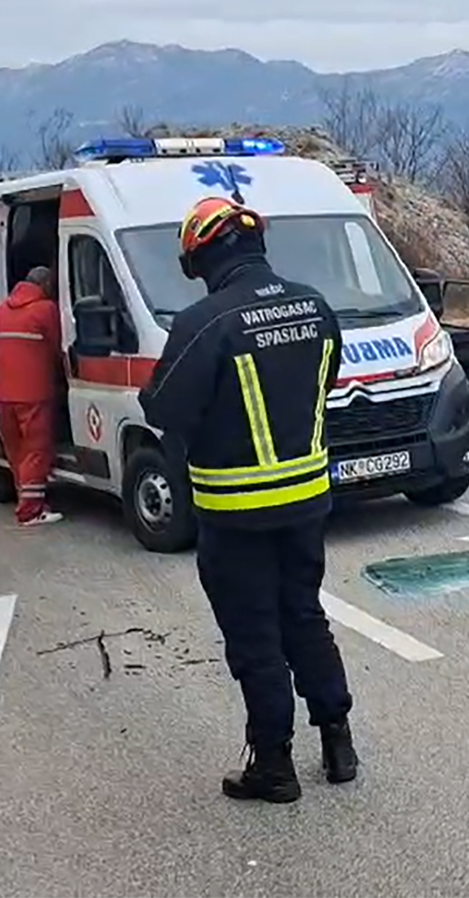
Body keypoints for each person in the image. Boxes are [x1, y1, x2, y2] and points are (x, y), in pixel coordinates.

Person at [139, 195, 356, 804]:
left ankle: (275, 766)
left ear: (200, 259)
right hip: (309, 500)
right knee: (305, 616)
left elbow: (164, 409)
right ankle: (339, 743)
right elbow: (325, 377)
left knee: (255, 633)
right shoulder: (315, 307)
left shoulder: (205, 323)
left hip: (236, 511)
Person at [0, 266, 65, 526]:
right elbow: (59, 347)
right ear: (44, 284)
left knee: (17, 451)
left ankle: (26, 497)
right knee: (36, 450)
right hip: (34, 391)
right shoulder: (46, 310)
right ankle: (31, 510)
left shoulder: (2, 310)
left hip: (4, 393)